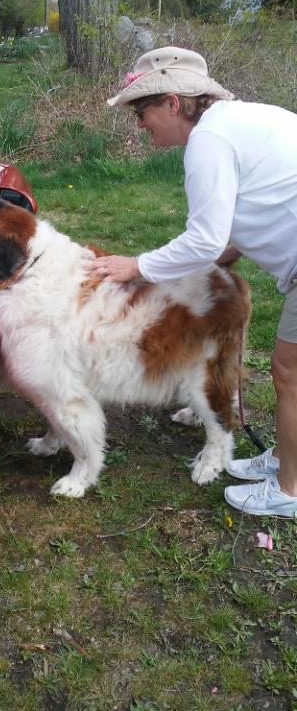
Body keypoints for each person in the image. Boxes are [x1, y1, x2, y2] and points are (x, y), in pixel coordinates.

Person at [89, 45, 297, 518]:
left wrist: (137, 266)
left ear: (173, 104)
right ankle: (286, 459)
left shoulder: (210, 141)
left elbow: (204, 239)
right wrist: (222, 255)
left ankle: (288, 490)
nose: (139, 124)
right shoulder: (235, 122)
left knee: (289, 372)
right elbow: (259, 199)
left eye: (141, 112)